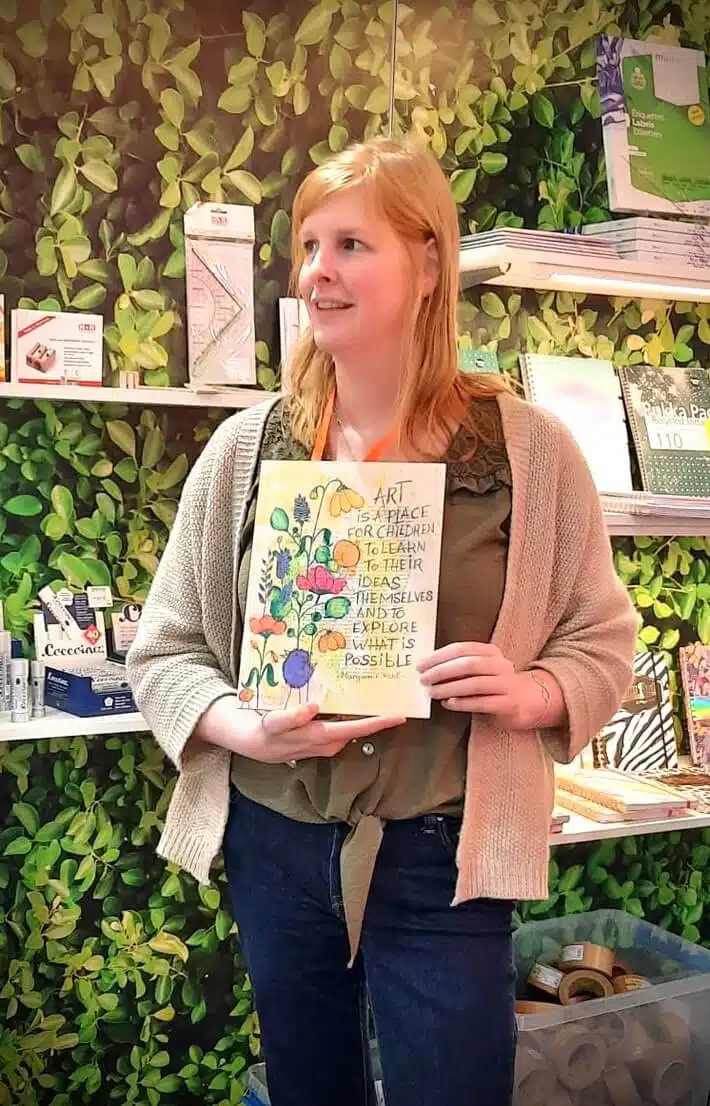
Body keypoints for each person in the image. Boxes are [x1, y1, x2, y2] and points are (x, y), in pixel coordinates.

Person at [127, 136, 638, 1106]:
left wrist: (533, 691)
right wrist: (244, 728)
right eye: (308, 246)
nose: (317, 272)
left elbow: (602, 640)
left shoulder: (529, 452)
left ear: (429, 263)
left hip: (444, 856)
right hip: (277, 841)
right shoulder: (245, 450)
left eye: (351, 245)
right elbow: (167, 648)